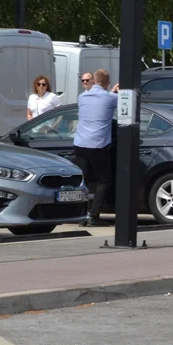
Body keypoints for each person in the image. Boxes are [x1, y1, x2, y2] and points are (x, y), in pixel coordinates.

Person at [73, 69, 119, 227]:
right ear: (108, 82)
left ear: (93, 81)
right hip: (98, 146)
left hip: (80, 144)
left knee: (83, 181)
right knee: (104, 181)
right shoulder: (111, 98)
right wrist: (115, 92)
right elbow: (125, 103)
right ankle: (94, 216)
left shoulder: (82, 97)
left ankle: (80, 216)